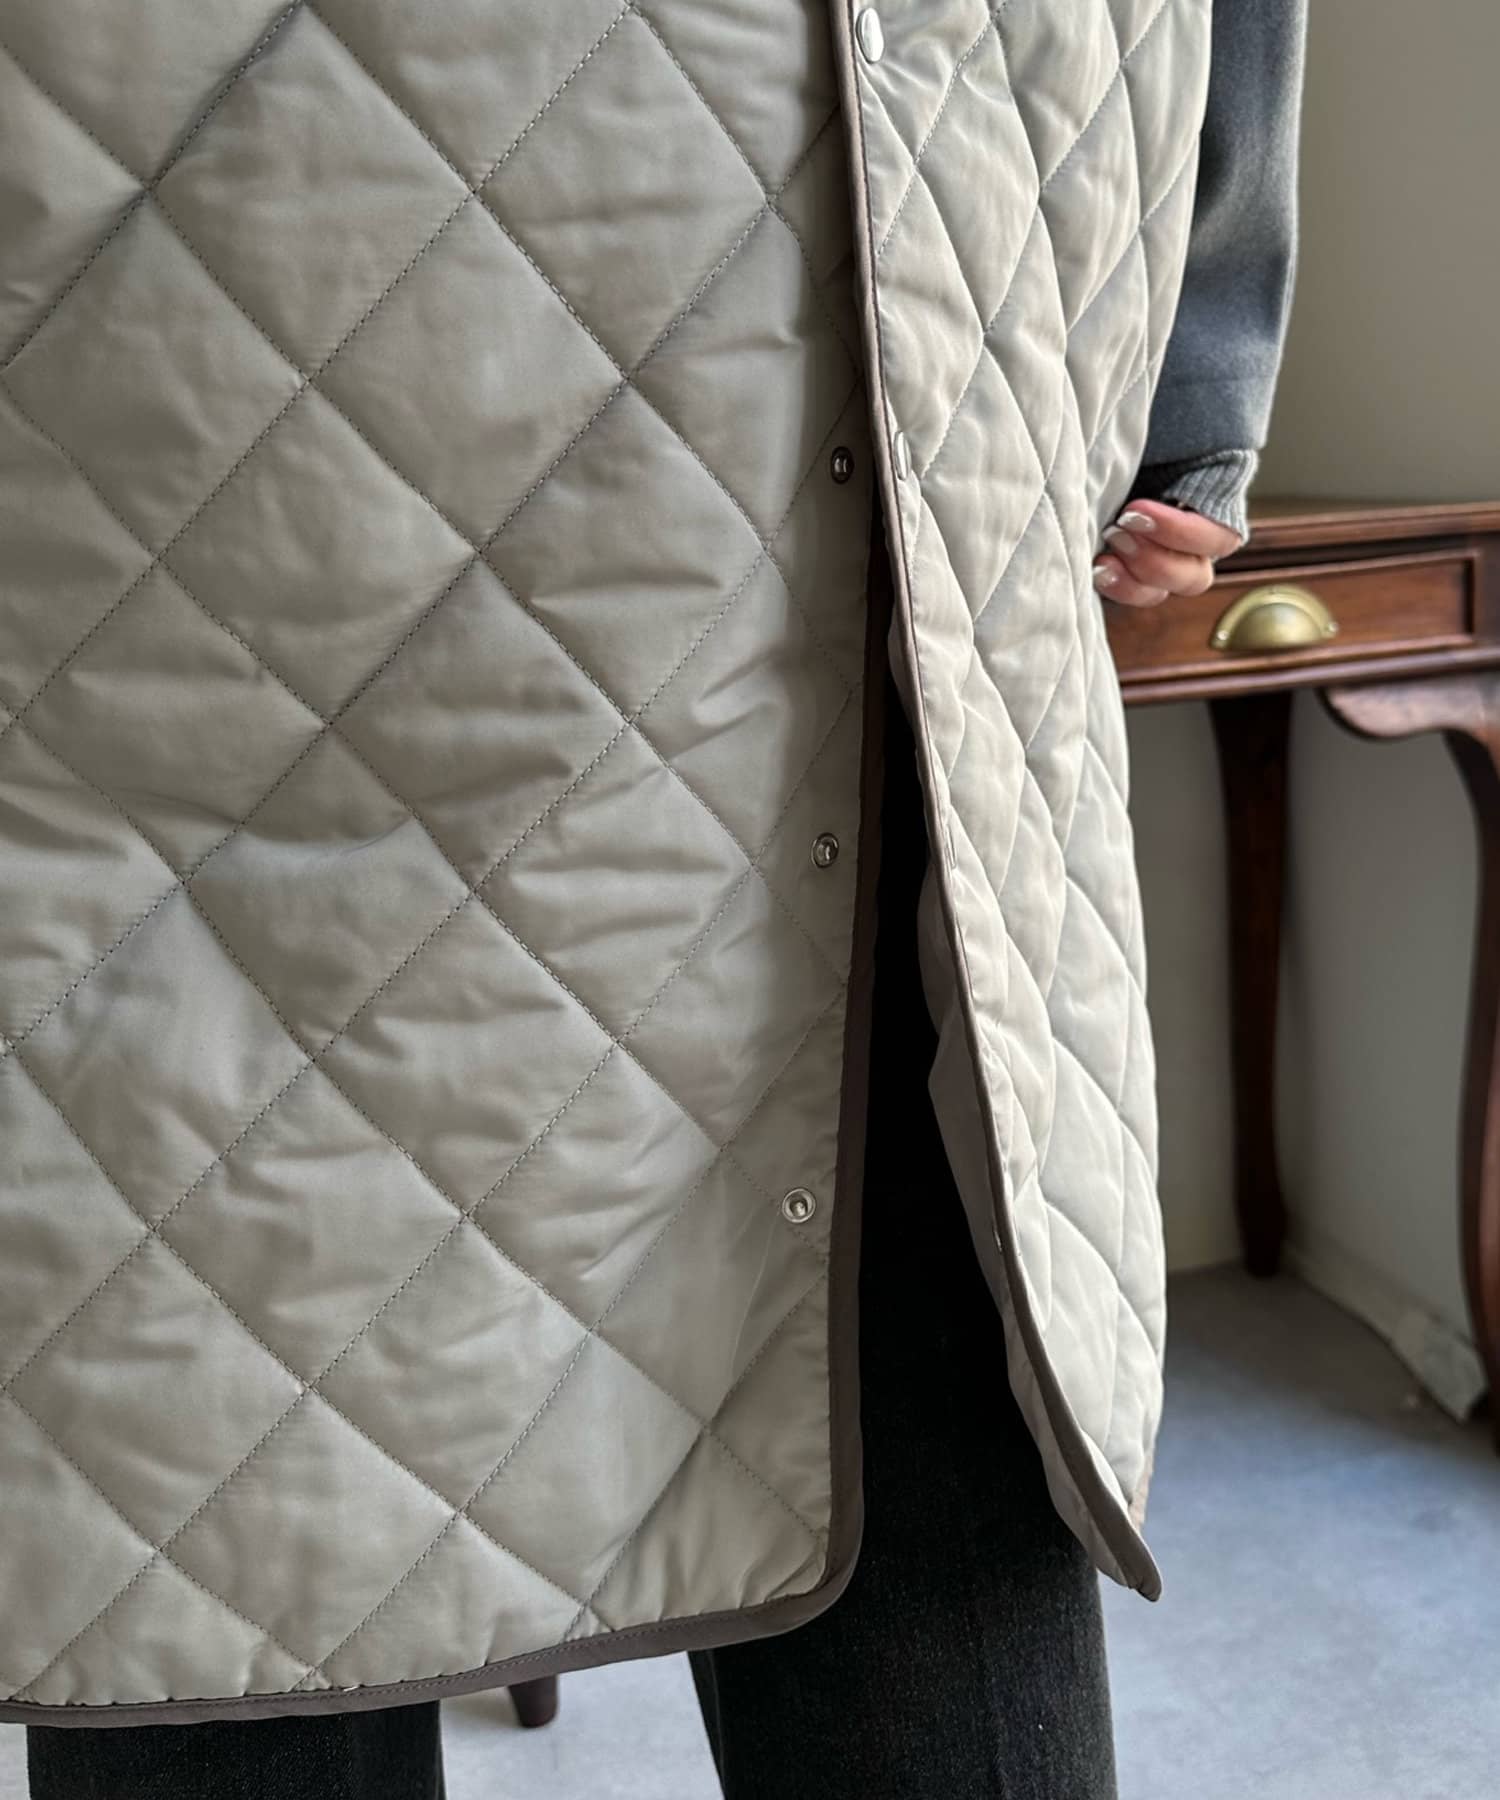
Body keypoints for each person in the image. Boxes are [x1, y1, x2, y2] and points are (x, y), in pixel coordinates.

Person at [5, 0, 1305, 1794]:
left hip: (929, 284)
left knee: (900, 1313)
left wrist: (1194, 348)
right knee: (236, 1452)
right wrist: (1200, 354)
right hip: (204, 401)